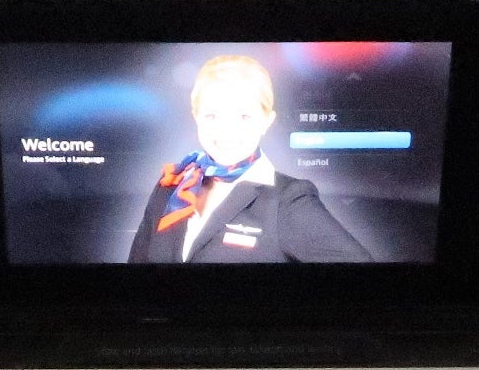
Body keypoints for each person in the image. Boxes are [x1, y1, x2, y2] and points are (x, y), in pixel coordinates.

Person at [127, 55, 371, 263]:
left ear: (266, 122)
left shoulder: (288, 200)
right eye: (212, 115)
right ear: (196, 116)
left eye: (243, 116)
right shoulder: (172, 186)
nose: (226, 130)